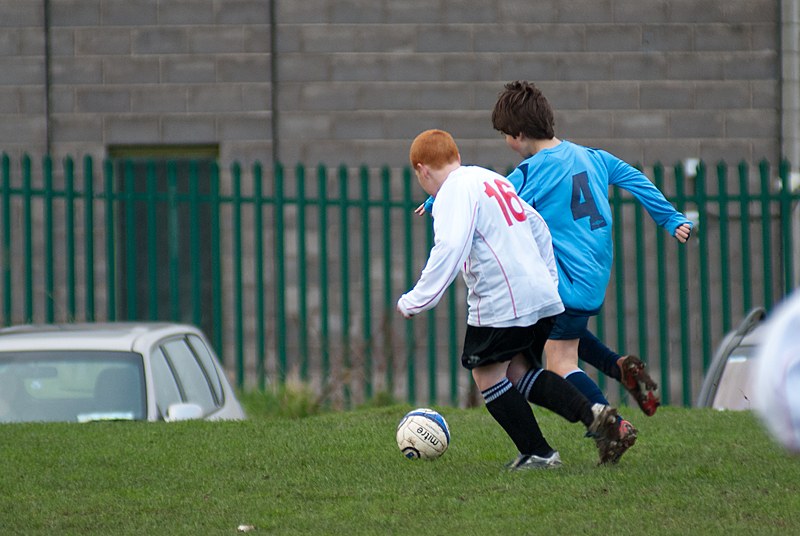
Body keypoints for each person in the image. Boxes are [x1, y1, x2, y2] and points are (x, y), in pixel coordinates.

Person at [489, 80, 693, 457]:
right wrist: (670, 218)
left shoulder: (532, 172)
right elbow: (635, 178)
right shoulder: (591, 156)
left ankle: (610, 424)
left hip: (565, 281)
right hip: (594, 275)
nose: (507, 142)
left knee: (559, 361)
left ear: (518, 134)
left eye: (505, 135)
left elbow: (489, 200)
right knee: (566, 333)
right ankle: (619, 366)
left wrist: (440, 201)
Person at [397, 129, 622, 469]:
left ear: (421, 169)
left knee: (487, 377)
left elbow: (450, 246)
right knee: (520, 371)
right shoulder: (491, 180)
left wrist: (417, 299)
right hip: (539, 295)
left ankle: (539, 453)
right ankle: (595, 416)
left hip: (503, 301)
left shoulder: (452, 192)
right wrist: (549, 280)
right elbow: (538, 225)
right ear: (457, 157)